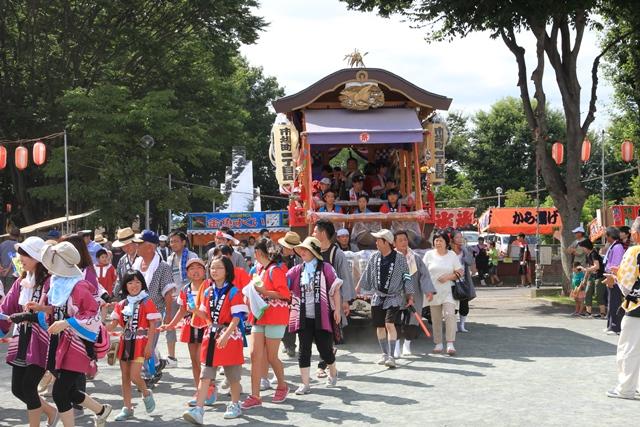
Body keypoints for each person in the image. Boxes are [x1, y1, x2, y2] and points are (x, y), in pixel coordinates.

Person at [28, 241, 112, 426]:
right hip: (59, 343)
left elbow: (93, 315)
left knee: (59, 392)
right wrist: (42, 308)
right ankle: (102, 410)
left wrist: (66, 323)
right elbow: (59, 310)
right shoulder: (57, 281)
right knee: (69, 390)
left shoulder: (79, 285)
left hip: (77, 345)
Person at [0, 236, 59, 427]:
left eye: (25, 255)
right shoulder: (21, 281)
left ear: (37, 257)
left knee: (28, 386)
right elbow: (6, 308)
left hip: (42, 340)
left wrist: (28, 316)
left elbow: (54, 313)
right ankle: (51, 411)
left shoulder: (51, 282)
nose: (20, 258)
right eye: (20, 254)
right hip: (22, 338)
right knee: (18, 389)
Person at [183, 256, 247, 423]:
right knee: (206, 375)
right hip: (211, 335)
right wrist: (195, 310)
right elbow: (206, 315)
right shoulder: (208, 291)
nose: (214, 271)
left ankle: (234, 404)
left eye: (218, 268)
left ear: (227, 271)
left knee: (233, 375)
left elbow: (237, 317)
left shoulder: (234, 291)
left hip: (230, 336)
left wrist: (226, 334)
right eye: (212, 268)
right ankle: (198, 409)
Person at [287, 237, 342, 394]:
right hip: (303, 316)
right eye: (301, 249)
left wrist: (337, 310)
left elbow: (336, 289)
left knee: (325, 350)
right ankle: (305, 384)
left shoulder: (326, 268)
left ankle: (332, 370)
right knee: (304, 349)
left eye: (306, 249)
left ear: (314, 252)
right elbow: (283, 282)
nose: (302, 252)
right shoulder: (297, 270)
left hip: (322, 316)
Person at [241, 239, 290, 410]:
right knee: (255, 355)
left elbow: (285, 294)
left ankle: (282, 386)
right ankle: (255, 396)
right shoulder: (258, 270)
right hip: (259, 315)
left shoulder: (275, 270)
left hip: (274, 315)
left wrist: (263, 292)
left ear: (257, 253)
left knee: (271, 356)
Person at [356, 229, 413, 368]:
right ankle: (384, 354)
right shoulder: (374, 257)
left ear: (386, 242)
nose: (376, 243)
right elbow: (367, 273)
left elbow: (406, 276)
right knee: (379, 326)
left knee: (389, 324)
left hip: (394, 297)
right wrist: (358, 287)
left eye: (378, 240)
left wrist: (410, 294)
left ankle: (392, 356)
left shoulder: (399, 258)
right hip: (378, 296)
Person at [106, 270, 158, 421]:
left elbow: (153, 325)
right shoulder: (122, 304)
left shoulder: (147, 301)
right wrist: (99, 323)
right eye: (130, 282)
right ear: (125, 285)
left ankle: (146, 392)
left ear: (142, 284)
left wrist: (150, 346)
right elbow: (114, 324)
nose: (134, 285)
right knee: (125, 377)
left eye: (137, 282)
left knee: (135, 375)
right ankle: (127, 408)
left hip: (141, 342)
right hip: (125, 342)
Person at [161, 258, 214, 405]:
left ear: (205, 271)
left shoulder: (210, 286)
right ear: (187, 272)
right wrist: (170, 325)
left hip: (207, 325)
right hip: (190, 325)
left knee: (205, 360)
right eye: (191, 268)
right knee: (195, 361)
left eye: (199, 267)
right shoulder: (185, 289)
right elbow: (183, 310)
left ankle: (209, 388)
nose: (195, 271)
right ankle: (199, 390)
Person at [132, 230, 176, 382]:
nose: (136, 246)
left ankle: (149, 374)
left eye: (140, 243)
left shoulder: (162, 267)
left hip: (155, 312)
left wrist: (169, 316)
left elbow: (169, 293)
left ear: (150, 247)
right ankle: (156, 365)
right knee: (139, 342)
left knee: (148, 345)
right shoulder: (136, 263)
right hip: (136, 311)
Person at [605, 216, 640, 399]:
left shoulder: (634, 251)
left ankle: (626, 388)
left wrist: (616, 276)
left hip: (637, 307)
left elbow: (626, 283)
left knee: (629, 349)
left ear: (635, 233)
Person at [394, 230, 436, 357]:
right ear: (394, 243)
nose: (403, 242)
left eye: (405, 239)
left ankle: (407, 345)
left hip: (415, 293)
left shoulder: (415, 258)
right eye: (400, 240)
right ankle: (395, 346)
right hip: (396, 294)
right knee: (395, 320)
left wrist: (428, 290)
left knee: (412, 320)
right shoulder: (390, 258)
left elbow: (424, 275)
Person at [423, 231, 464, 356]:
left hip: (448, 291)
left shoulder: (452, 255)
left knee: (450, 315)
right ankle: (438, 343)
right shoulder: (429, 255)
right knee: (435, 319)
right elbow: (423, 273)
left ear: (446, 242)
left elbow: (460, 271)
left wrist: (448, 277)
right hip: (433, 292)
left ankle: (450, 343)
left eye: (440, 240)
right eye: (436, 240)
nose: (438, 242)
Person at [166, 231, 198, 367]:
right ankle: (171, 357)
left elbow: (197, 276)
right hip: (174, 296)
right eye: (171, 241)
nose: (173, 244)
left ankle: (197, 355)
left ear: (184, 242)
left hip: (190, 295)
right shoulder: (169, 258)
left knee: (195, 324)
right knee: (169, 324)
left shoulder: (192, 256)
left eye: (176, 241)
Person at [277, 231, 302, 358]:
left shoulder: (299, 258)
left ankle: (291, 346)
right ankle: (286, 343)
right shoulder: (276, 258)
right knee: (282, 320)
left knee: (291, 320)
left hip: (295, 294)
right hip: (280, 293)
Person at [450, 230, 477, 333]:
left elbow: (469, 262)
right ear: (452, 239)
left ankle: (462, 324)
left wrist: (465, 250)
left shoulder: (465, 250)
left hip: (463, 280)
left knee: (464, 302)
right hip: (451, 280)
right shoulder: (448, 251)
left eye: (461, 237)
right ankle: (453, 324)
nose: (460, 239)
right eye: (457, 237)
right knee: (451, 303)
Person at [602, 227, 626, 334]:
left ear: (610, 236)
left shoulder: (618, 247)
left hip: (614, 278)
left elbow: (616, 263)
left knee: (614, 302)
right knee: (610, 301)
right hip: (610, 277)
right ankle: (610, 325)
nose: (606, 238)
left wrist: (610, 272)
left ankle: (616, 327)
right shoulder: (614, 245)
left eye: (606, 235)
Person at [578, 239, 607, 318]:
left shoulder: (593, 254)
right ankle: (588, 312)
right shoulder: (588, 255)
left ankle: (602, 314)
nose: (582, 249)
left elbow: (596, 266)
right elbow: (589, 267)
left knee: (599, 295)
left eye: (582, 247)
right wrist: (585, 279)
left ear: (586, 247)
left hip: (600, 276)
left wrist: (585, 269)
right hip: (592, 276)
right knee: (587, 292)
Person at [112, 228, 139, 298]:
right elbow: (119, 279)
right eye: (123, 246)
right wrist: (114, 294)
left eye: (128, 245)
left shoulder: (143, 257)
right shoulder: (122, 260)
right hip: (128, 298)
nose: (126, 248)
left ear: (135, 242)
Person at [0, 227, 20, 295]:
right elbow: (14, 260)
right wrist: (7, 271)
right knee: (8, 293)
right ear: (19, 236)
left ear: (9, 234)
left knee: (1, 293)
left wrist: (1, 269)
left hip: (1, 272)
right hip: (11, 274)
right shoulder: (18, 246)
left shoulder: (2, 244)